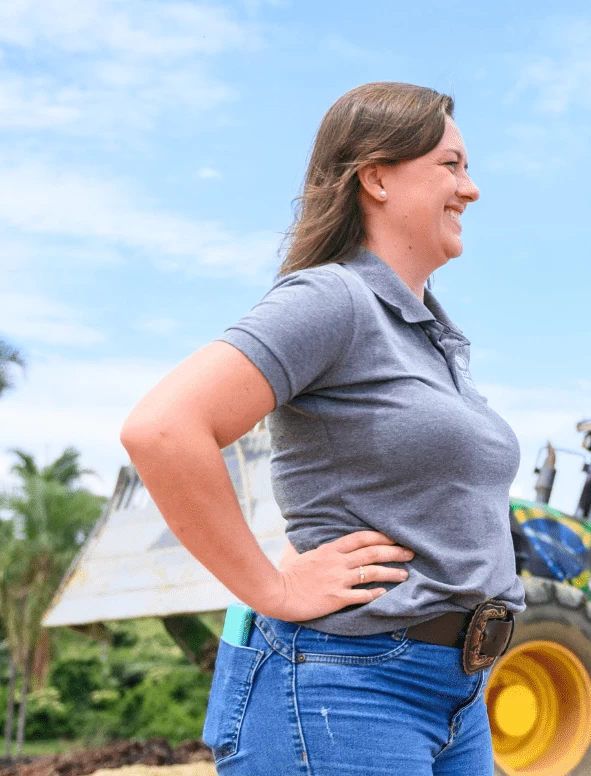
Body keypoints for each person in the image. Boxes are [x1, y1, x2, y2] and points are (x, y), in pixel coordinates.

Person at [120, 81, 523, 776]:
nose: (472, 189)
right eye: (451, 166)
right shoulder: (334, 297)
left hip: (456, 694)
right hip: (351, 686)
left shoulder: (433, 336)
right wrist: (272, 590)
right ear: (377, 177)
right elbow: (162, 428)